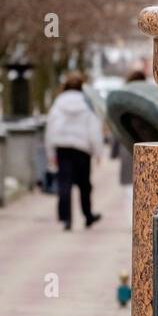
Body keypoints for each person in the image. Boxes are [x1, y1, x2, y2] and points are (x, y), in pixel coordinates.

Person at [45, 72, 104, 231]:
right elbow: (93, 128)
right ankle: (88, 215)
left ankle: (66, 219)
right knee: (85, 185)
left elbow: (51, 128)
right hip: (81, 149)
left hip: (62, 147)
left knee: (64, 184)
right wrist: (98, 151)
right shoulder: (86, 103)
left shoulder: (58, 103)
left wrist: (50, 153)